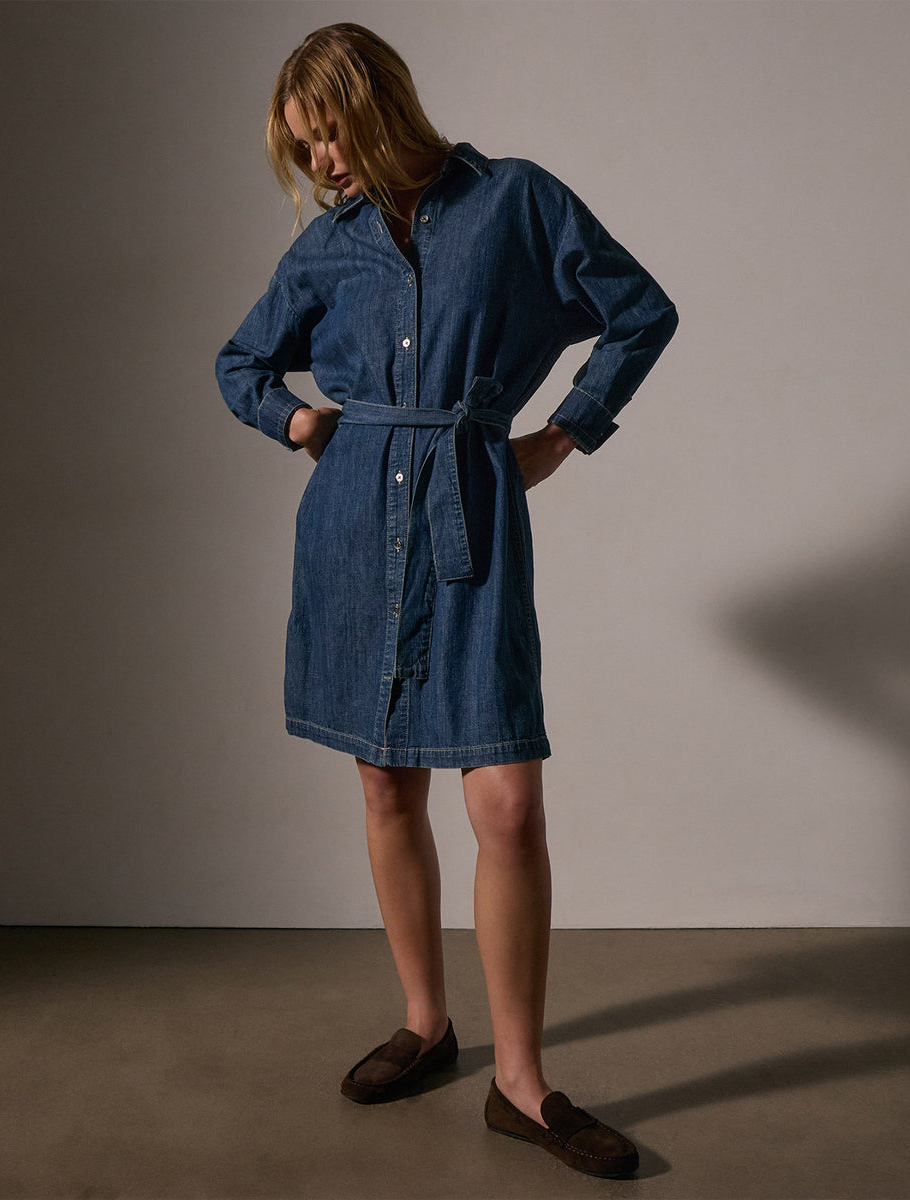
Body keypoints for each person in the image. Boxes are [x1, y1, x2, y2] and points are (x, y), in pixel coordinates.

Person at [216, 23, 677, 1179]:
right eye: (304, 148)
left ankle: (520, 1083)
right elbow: (240, 365)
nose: (322, 162)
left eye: (329, 133)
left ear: (378, 103)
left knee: (507, 806)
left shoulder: (515, 202)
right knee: (386, 783)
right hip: (351, 528)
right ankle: (426, 1022)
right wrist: (298, 419)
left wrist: (565, 434)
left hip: (469, 520)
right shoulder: (328, 247)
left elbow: (640, 309)